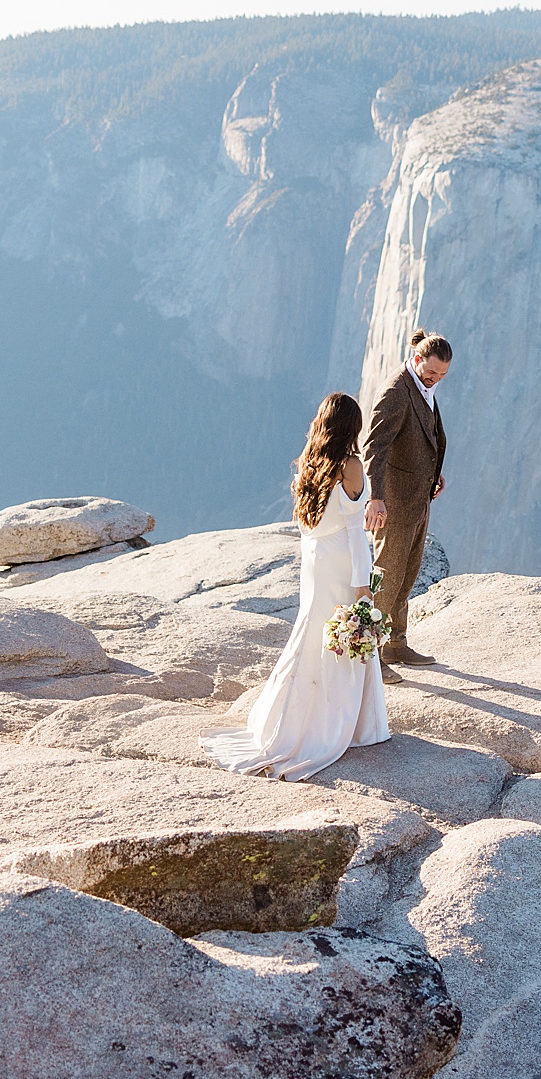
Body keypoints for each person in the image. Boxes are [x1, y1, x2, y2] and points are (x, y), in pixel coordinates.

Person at [202, 393, 390, 780]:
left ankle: (293, 718)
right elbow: (356, 532)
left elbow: (310, 525)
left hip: (315, 560)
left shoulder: (310, 462)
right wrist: (362, 586)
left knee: (315, 633)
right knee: (348, 632)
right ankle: (347, 725)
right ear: (352, 427)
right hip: (341, 561)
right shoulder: (350, 466)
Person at [363, 329, 449, 675]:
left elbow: (426, 438)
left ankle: (395, 644)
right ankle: (369, 653)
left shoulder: (424, 388)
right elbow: (374, 446)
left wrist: (434, 474)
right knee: (386, 574)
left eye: (442, 375)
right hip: (394, 502)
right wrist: (376, 497)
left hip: (418, 498)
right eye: (432, 372)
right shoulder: (397, 391)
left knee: (408, 572)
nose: (436, 379)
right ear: (417, 360)